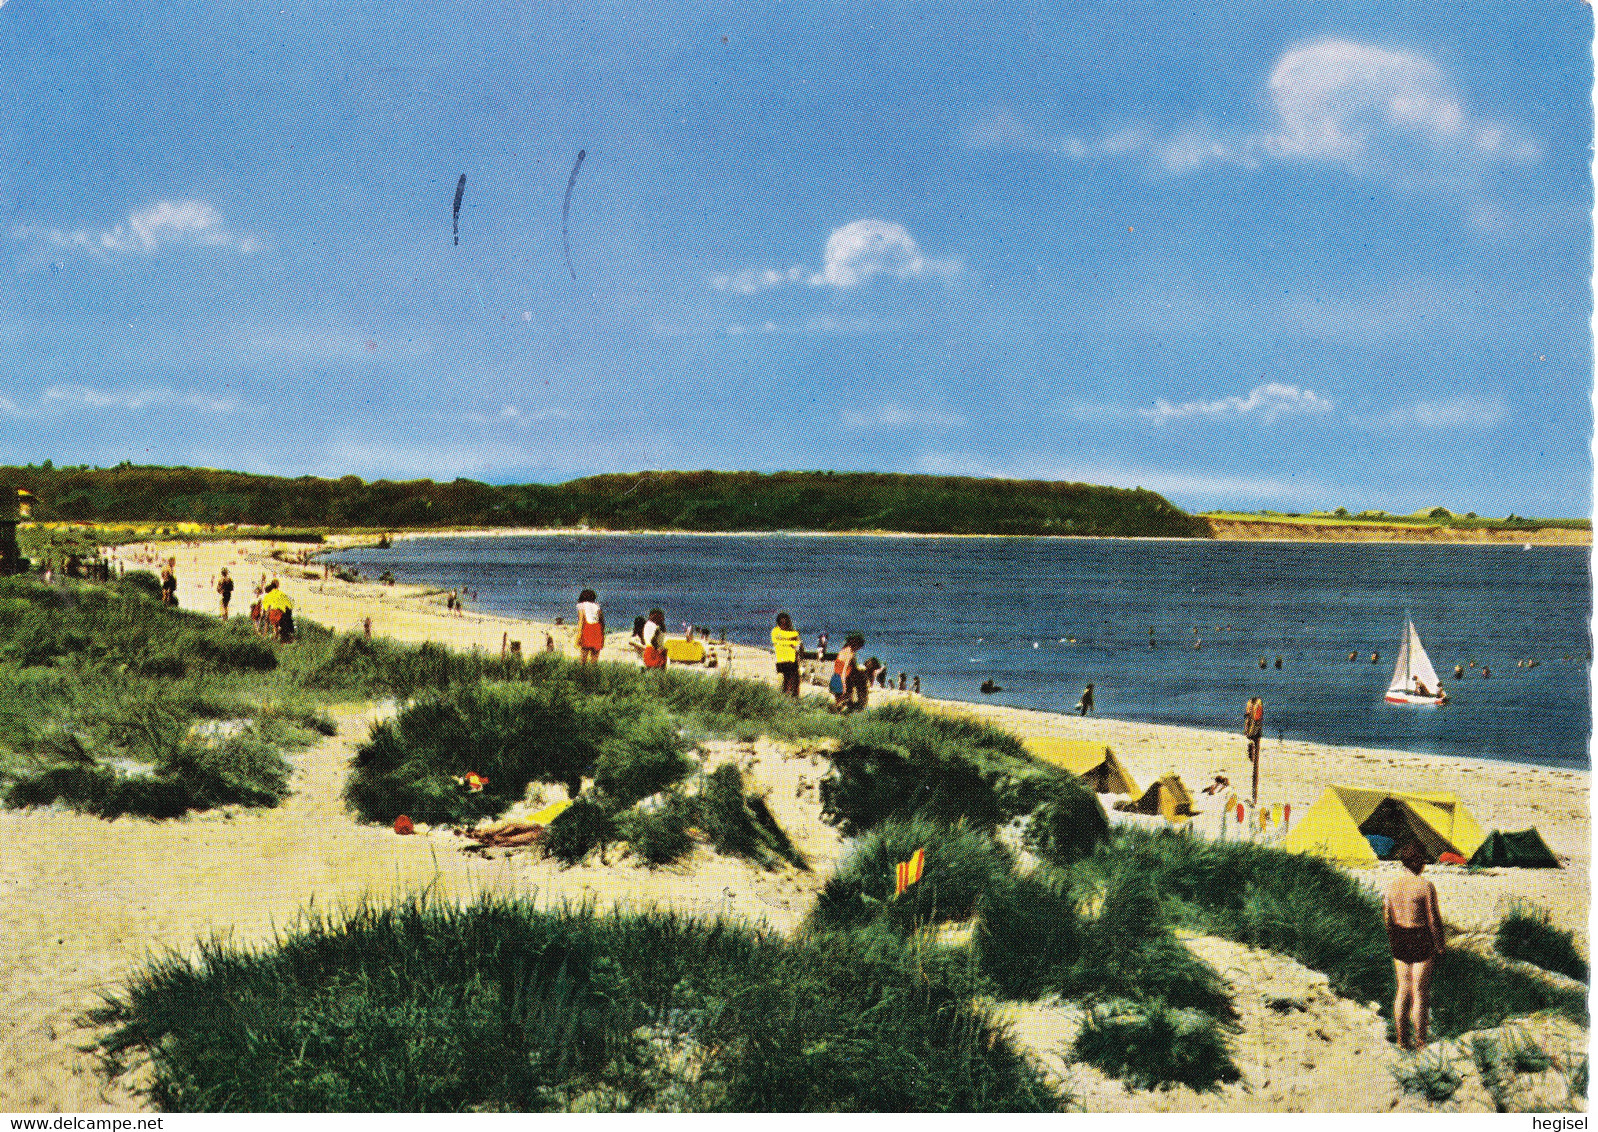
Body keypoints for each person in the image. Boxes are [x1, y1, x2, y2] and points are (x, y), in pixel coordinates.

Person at [1385, 840, 1445, 1050]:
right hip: (1420, 936)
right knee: (1420, 992)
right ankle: (1420, 1041)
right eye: (1423, 860)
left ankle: (1402, 1041)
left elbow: (1387, 918)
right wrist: (1440, 945)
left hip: (1400, 936)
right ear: (1417, 861)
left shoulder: (1392, 886)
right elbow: (1433, 919)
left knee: (1403, 989)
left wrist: (1394, 940)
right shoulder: (1425, 886)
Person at [771, 613, 802, 697]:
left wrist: (788, 642)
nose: (784, 625)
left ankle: (787, 699)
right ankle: (789, 699)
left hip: (785, 661)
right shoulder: (779, 632)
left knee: (788, 683)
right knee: (789, 683)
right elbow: (797, 644)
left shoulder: (775, 631)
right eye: (783, 623)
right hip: (786, 661)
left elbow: (798, 645)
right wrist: (792, 642)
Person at [831, 633, 863, 711]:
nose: (858, 649)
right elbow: (845, 669)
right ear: (856, 645)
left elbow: (837, 666)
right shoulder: (850, 654)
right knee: (845, 700)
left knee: (838, 701)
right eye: (859, 647)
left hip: (836, 676)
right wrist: (844, 684)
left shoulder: (843, 650)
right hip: (844, 677)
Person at [575, 589, 605, 665]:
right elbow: (602, 621)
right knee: (594, 659)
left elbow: (581, 621)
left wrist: (578, 636)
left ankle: (582, 675)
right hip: (597, 628)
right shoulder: (597, 606)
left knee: (583, 658)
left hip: (587, 628)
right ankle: (593, 675)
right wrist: (603, 635)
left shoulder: (581, 605)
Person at [1244, 696, 1263, 764]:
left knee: (1254, 744)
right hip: (1254, 729)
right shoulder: (1254, 704)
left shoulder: (1253, 704)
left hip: (1254, 729)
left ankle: (1253, 759)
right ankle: (1253, 759)